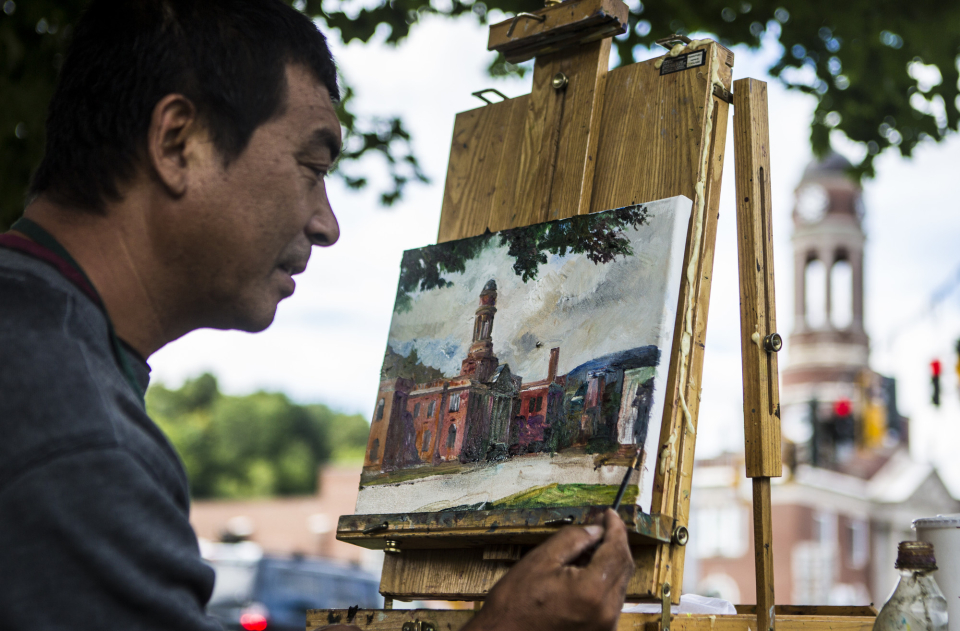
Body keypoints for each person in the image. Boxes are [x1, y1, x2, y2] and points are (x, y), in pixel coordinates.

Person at [0, 1, 635, 630]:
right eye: (313, 167)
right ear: (178, 143)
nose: (326, 225)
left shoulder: (40, 349)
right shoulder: (74, 434)